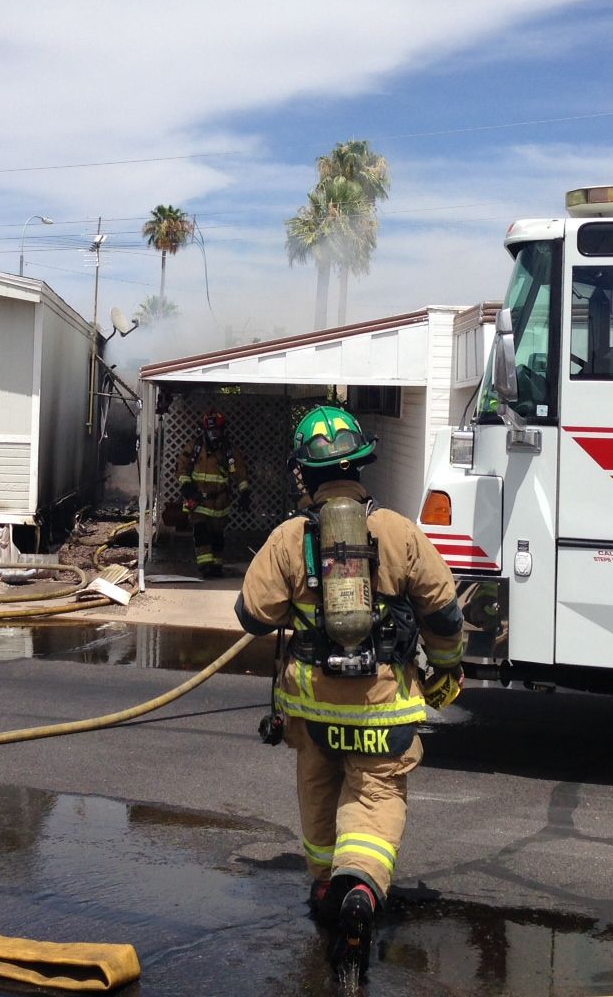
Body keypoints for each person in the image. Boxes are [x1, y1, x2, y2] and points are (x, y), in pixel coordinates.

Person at [234, 404, 465, 973]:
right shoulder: (398, 532)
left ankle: (322, 887)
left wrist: (296, 589)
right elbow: (445, 614)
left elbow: (251, 615)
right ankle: (359, 890)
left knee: (318, 791)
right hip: (384, 709)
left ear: (304, 475)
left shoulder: (291, 538)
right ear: (362, 465)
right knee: (374, 798)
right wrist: (445, 669)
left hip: (312, 712)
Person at [176, 408, 251, 578]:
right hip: (199, 501)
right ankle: (205, 566)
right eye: (210, 432)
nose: (214, 435)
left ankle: (217, 565)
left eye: (216, 431)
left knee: (217, 535)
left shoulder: (229, 452)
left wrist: (244, 493)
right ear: (204, 431)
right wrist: (187, 486)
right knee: (200, 531)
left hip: (220, 503)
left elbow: (240, 473)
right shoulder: (195, 448)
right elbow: (182, 467)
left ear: (223, 431)